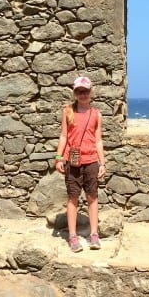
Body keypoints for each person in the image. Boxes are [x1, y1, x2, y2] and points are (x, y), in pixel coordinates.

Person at [54, 76, 106, 253]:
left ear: (91, 92)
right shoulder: (68, 111)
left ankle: (93, 234)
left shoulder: (96, 114)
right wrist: (59, 157)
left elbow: (98, 140)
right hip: (73, 162)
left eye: (85, 91)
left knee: (92, 197)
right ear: (75, 93)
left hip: (91, 161)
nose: (82, 94)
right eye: (79, 91)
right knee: (73, 198)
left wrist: (102, 163)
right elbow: (63, 136)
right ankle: (73, 236)